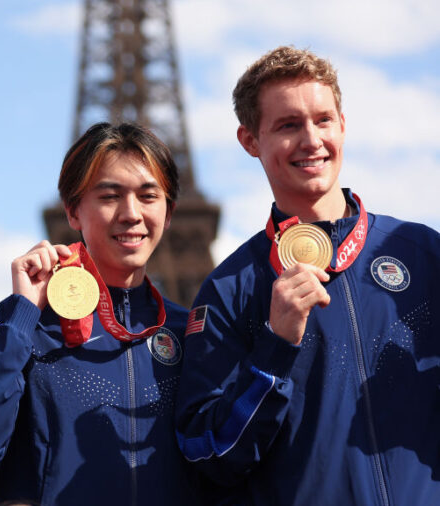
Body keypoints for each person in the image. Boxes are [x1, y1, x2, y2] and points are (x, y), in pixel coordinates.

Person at [174, 46, 440, 505]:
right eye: (288, 125)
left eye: (323, 119)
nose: (311, 140)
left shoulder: (421, 252)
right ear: (249, 140)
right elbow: (207, 456)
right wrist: (274, 350)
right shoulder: (228, 290)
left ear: (343, 123)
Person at [0, 122, 204, 504]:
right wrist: (20, 316)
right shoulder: (29, 324)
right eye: (110, 195)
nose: (131, 213)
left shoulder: (189, 331)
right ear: (72, 211)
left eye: (149, 196)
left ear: (169, 213)